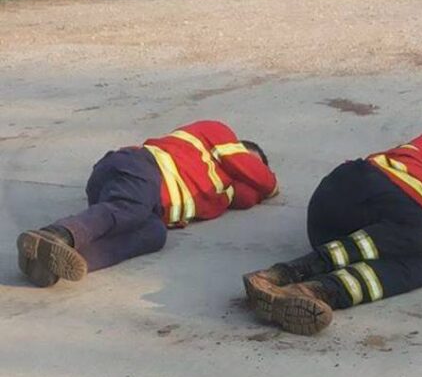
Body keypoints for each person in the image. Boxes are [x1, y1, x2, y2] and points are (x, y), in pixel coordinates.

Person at [244, 131, 422, 336]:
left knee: (413, 270)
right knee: (419, 233)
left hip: (338, 234)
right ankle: (287, 272)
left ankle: (311, 291)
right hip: (356, 186)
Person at [18, 119, 278, 287]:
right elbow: (261, 181)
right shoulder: (217, 132)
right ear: (240, 150)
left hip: (142, 206)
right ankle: (56, 234)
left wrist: (253, 187)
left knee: (154, 234)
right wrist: (272, 185)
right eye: (251, 163)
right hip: (138, 167)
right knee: (129, 208)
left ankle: (51, 262)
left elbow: (249, 196)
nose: (248, 172)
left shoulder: (224, 189)